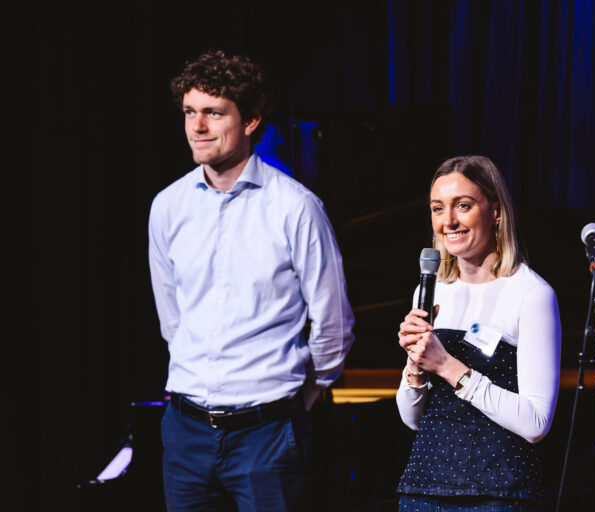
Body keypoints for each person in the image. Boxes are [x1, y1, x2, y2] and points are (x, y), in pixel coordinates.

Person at [148, 49, 354, 512]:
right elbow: (172, 319)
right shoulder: (168, 207)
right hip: (185, 432)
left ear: (251, 121)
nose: (197, 127)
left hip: (268, 433)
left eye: (214, 113)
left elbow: (333, 323)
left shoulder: (295, 207)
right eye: (189, 112)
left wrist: (301, 396)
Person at [395, 155, 561, 511]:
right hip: (425, 489)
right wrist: (415, 366)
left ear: (495, 212)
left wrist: (447, 366)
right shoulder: (432, 289)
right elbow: (411, 419)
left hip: (497, 493)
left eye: (463, 206)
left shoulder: (530, 295)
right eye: (438, 209)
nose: (448, 221)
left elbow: (535, 423)